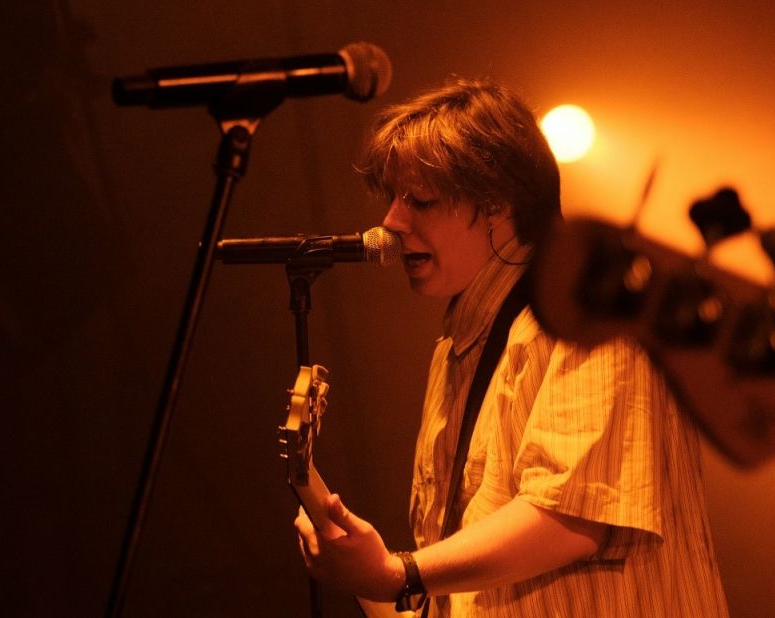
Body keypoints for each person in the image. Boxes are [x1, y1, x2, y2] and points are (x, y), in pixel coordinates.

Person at [294, 76, 728, 617]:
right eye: (394, 198)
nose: (392, 221)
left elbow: (569, 518)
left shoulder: (589, 317)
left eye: (420, 199)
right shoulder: (460, 344)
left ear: (498, 203)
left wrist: (397, 573)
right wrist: (367, 575)